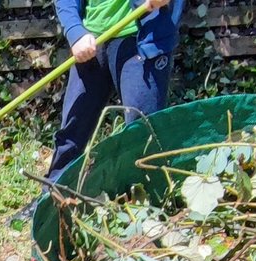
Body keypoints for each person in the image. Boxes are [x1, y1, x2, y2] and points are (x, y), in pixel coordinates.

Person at [45, 0, 182, 185]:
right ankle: (52, 197)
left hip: (141, 39)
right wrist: (75, 31)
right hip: (90, 41)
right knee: (72, 130)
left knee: (142, 130)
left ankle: (145, 202)